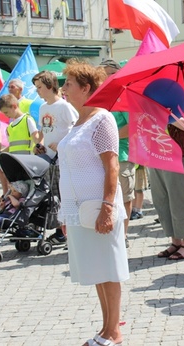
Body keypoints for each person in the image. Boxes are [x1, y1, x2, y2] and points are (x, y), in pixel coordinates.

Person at [58, 60, 129, 346]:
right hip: (79, 209)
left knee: (108, 269)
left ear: (86, 88)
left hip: (100, 207)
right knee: (98, 269)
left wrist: (107, 207)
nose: (63, 89)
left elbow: (111, 166)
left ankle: (114, 331)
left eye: (68, 84)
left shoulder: (102, 119)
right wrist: (66, 213)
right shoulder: (78, 122)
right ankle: (105, 328)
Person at [32, 70, 79, 245]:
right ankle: (61, 231)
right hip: (49, 159)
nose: (37, 91)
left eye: (40, 87)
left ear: (50, 87)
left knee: (65, 195)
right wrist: (41, 145)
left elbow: (76, 128)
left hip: (64, 159)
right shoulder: (43, 107)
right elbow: (44, 132)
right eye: (36, 87)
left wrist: (61, 143)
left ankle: (69, 233)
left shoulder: (64, 106)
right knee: (53, 197)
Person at [100, 59, 134, 248]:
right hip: (104, 155)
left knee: (125, 196)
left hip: (122, 154)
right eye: (103, 74)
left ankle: (124, 233)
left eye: (110, 73)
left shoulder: (124, 95)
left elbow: (131, 127)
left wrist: (109, 138)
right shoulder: (102, 96)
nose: (106, 78)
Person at [153, 115, 184, 260]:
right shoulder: (151, 100)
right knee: (162, 200)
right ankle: (176, 242)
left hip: (179, 155)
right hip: (155, 154)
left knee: (179, 200)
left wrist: (167, 116)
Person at [0, 94, 41, 194]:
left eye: (6, 112)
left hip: (26, 164)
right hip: (15, 165)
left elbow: (36, 137)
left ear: (14, 106)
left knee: (28, 191)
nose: (6, 115)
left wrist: (40, 146)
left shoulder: (27, 120)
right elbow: (12, 146)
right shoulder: (10, 127)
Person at [0, 180, 29, 246]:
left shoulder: (22, 199)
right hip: (4, 214)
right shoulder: (10, 199)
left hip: (11, 217)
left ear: (21, 193)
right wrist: (2, 207)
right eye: (11, 190)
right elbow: (3, 209)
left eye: (14, 191)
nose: (12, 192)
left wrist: (10, 196)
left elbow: (16, 205)